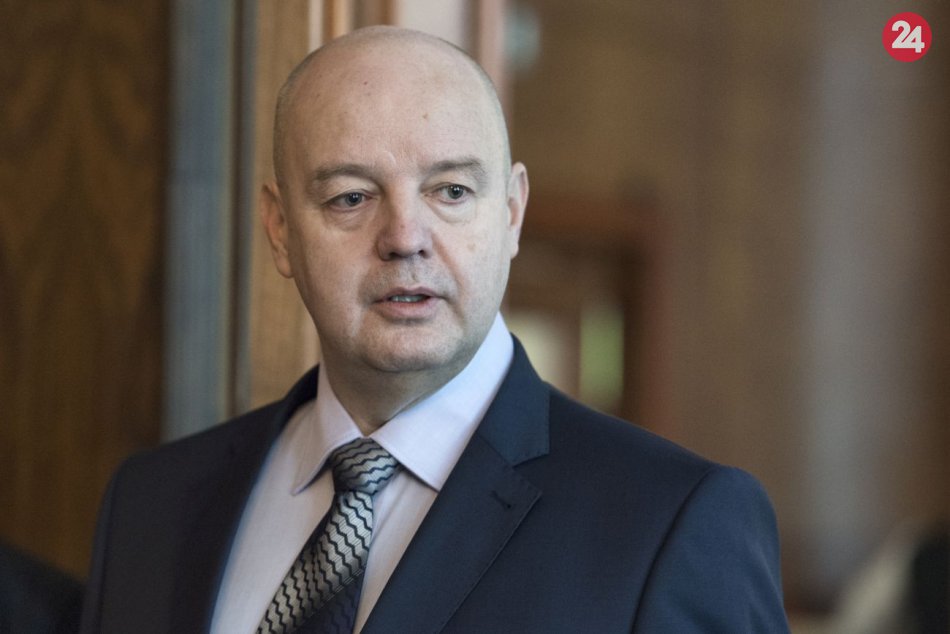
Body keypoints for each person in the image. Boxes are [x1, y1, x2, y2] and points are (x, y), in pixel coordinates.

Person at [80, 26, 790, 633]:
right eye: (351, 197)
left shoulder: (670, 524)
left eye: (451, 191)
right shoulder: (151, 506)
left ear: (510, 213)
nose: (404, 237)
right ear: (279, 229)